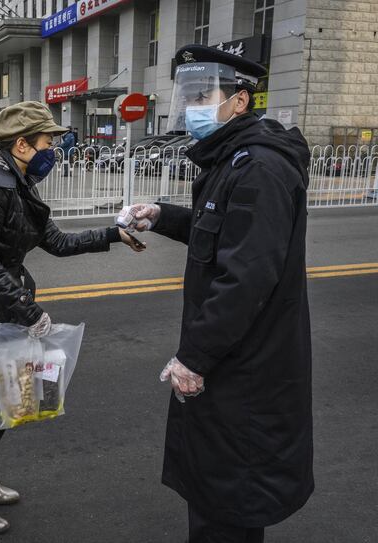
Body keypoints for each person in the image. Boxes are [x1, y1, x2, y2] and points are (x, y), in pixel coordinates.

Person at [0, 101, 144, 535]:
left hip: (6, 306)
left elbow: (58, 242)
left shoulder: (18, 182)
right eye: (49, 142)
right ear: (22, 145)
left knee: (9, 400)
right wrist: (30, 312)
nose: (54, 151)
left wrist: (112, 235)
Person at [127, 44, 314, 542]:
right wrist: (162, 215)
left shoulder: (258, 168)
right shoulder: (231, 160)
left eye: (203, 94)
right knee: (214, 493)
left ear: (240, 102)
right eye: (187, 95)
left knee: (230, 504)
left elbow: (246, 277)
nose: (192, 106)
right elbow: (223, 231)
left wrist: (195, 356)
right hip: (231, 362)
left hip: (245, 369)